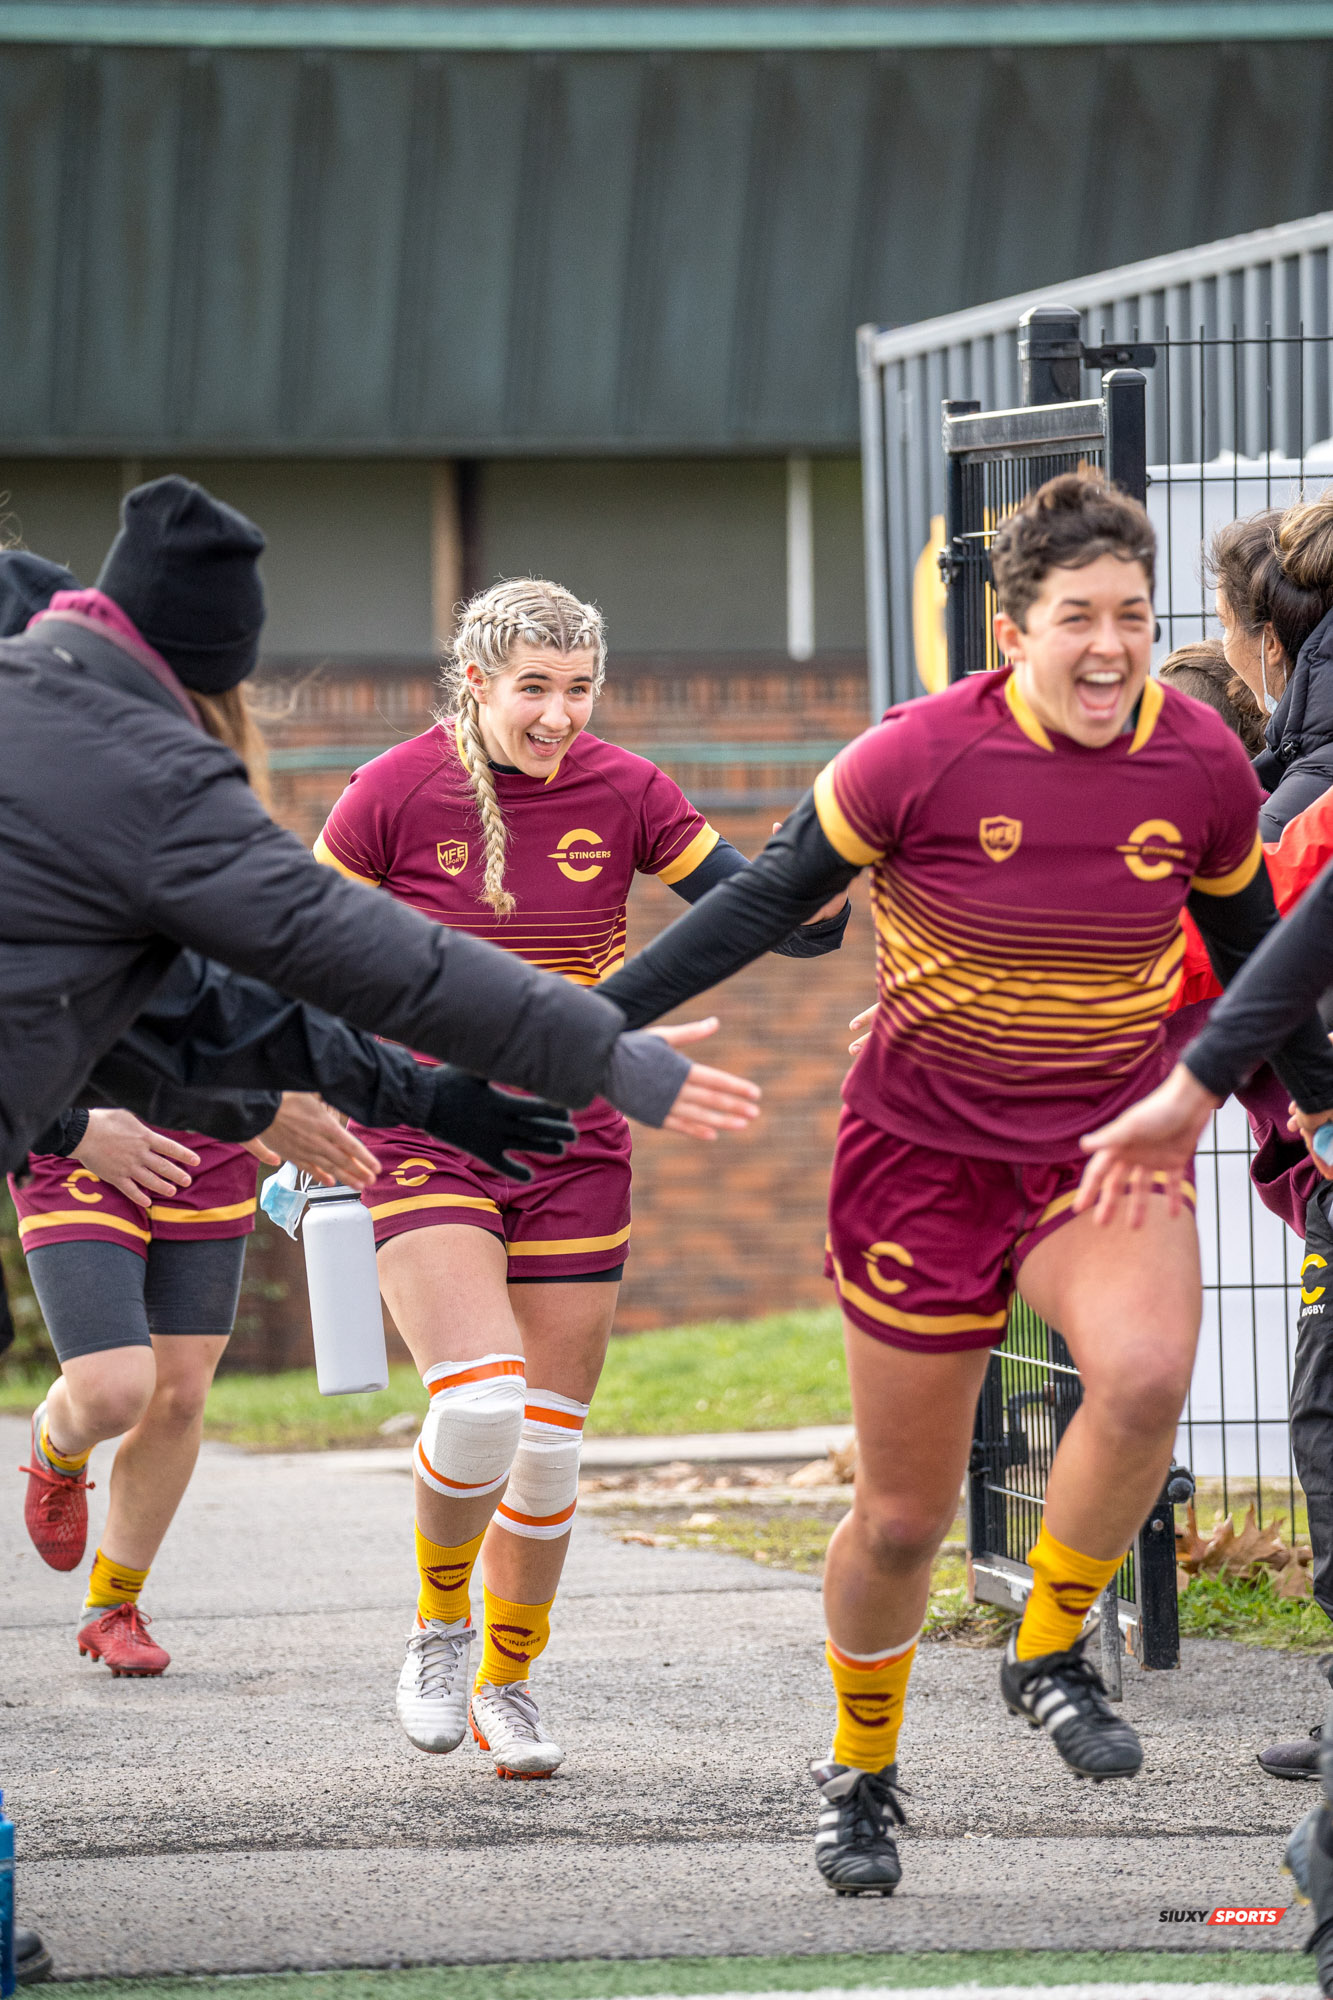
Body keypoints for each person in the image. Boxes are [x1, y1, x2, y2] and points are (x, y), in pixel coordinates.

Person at [590, 470, 1333, 1894]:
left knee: (1140, 1370)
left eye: (1132, 612)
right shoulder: (909, 758)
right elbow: (758, 904)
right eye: (1076, 618)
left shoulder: (1198, 763)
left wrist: (1325, 1102)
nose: (1111, 644)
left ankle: (1050, 1645)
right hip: (921, 1164)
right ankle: (860, 1765)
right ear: (1012, 631)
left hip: (1096, 1148)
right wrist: (577, 1024)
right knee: (902, 1517)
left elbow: (1255, 954)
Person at [313, 576, 848, 1779]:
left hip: (575, 1137)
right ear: (476, 683)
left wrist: (847, 834)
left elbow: (770, 911)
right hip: (426, 1128)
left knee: (548, 1446)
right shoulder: (389, 793)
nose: (559, 714)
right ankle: (440, 1627)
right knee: (480, 1404)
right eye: (533, 688)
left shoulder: (627, 787)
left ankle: (509, 1678)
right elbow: (298, 951)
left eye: (578, 687)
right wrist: (298, 1107)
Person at [0, 475, 760, 1181]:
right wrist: (593, 1049)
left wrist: (405, 1097)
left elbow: (157, 1009)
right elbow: (352, 947)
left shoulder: (41, 715)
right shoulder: (151, 774)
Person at [1212, 494, 1333, 837]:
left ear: (1271, 643)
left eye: (1225, 624)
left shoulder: (1314, 781)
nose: (1223, 647)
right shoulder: (1301, 758)